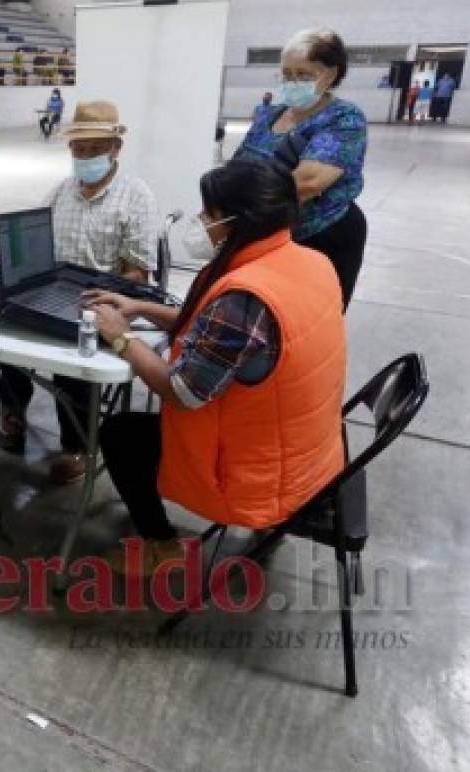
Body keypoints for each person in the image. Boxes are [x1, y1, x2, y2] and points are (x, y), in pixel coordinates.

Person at [89, 158, 346, 576]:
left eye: (208, 213)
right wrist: (140, 308)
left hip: (258, 477)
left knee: (120, 435)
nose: (202, 222)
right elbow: (223, 336)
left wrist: (121, 337)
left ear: (235, 221)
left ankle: (162, 547)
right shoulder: (305, 262)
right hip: (310, 457)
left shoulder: (245, 296)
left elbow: (182, 392)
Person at [0, 100, 158, 484]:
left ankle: (78, 444)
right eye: (77, 149)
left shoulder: (137, 197)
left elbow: (137, 272)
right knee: (8, 335)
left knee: (75, 366)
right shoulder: (61, 191)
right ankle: (13, 411)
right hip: (55, 287)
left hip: (103, 298)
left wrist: (106, 300)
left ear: (115, 149)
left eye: (94, 150)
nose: (84, 157)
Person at [234, 28, 368, 309]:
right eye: (286, 74)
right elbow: (238, 163)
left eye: (304, 75)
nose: (292, 82)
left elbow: (307, 182)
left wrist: (240, 203)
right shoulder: (270, 113)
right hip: (264, 233)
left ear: (330, 75)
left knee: (304, 316)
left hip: (319, 236)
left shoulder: (344, 118)